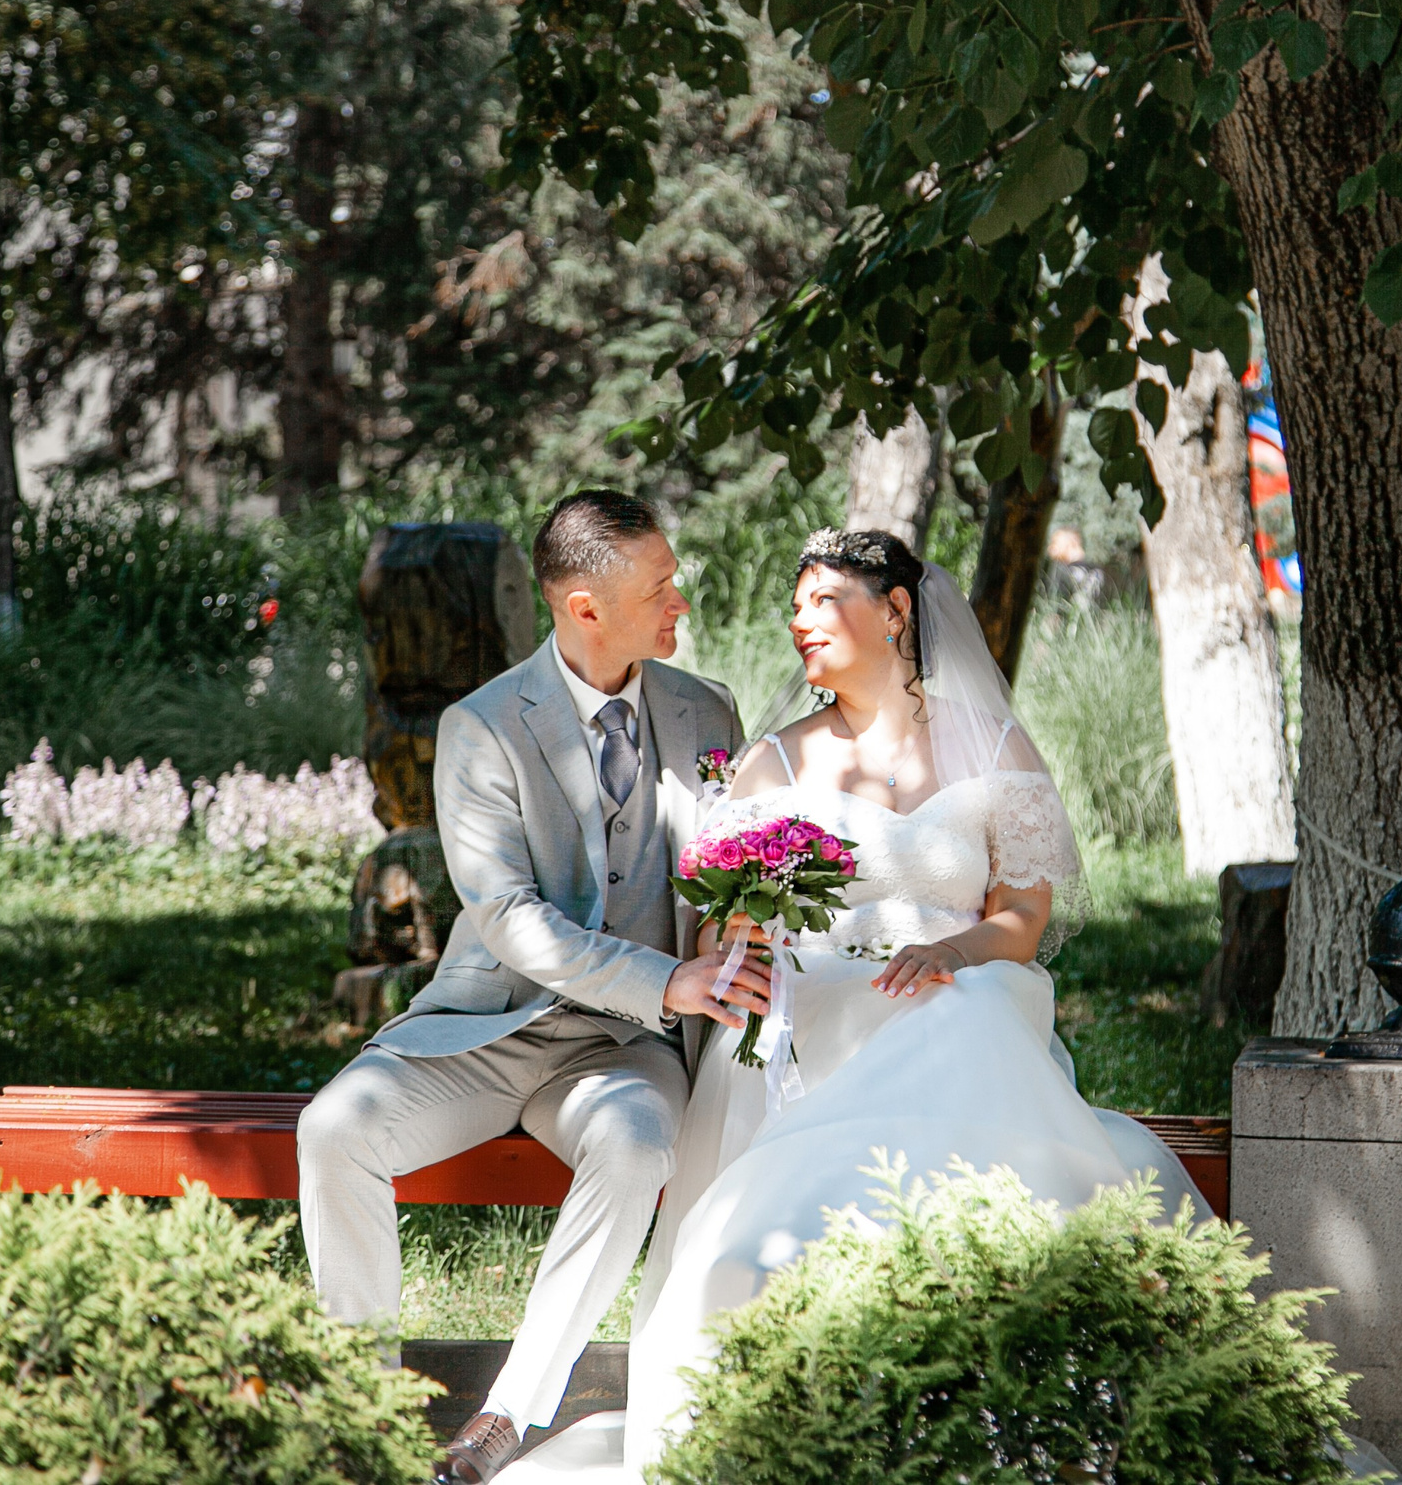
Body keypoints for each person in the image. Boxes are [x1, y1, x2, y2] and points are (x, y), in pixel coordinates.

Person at [495, 528, 1208, 1485]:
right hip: (810, 1008)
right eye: (795, 605)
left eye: (822, 599)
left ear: (896, 610)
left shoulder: (992, 741)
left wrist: (950, 949)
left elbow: (1022, 919)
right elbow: (717, 934)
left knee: (965, 1009)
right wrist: (742, 945)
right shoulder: (774, 763)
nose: (799, 621)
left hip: (956, 988)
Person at [294, 490, 767, 1485]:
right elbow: (508, 918)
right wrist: (668, 978)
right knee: (333, 1129)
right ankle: (362, 1405)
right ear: (583, 607)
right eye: (659, 585)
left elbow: (731, 867)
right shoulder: (482, 725)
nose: (679, 599)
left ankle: (505, 1415)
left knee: (638, 1142)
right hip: (494, 1025)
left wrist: (740, 931)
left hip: (629, 1050)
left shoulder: (705, 711)